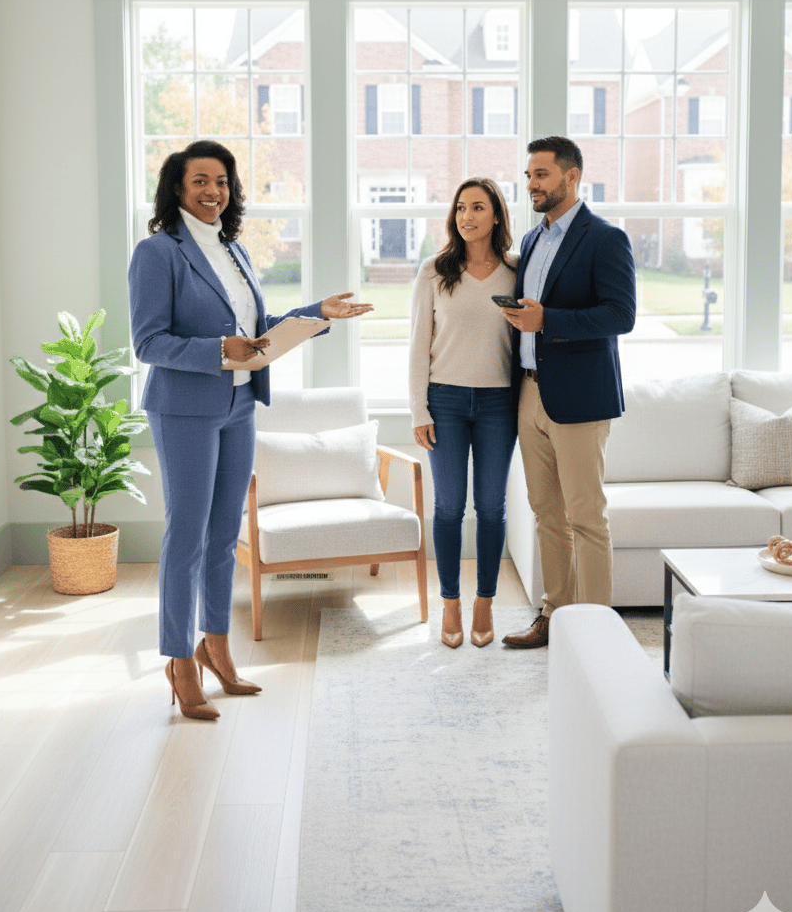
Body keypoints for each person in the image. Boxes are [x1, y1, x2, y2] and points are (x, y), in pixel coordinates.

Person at [129, 139, 371, 719]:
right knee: (185, 537)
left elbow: (256, 329)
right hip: (185, 408)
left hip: (240, 406)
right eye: (200, 182)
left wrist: (315, 312)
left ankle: (216, 648)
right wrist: (217, 350)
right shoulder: (158, 252)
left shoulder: (233, 249)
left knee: (222, 538)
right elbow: (148, 342)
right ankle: (178, 662)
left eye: (222, 182)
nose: (213, 192)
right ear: (178, 189)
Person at [499, 137, 636, 648]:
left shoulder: (605, 238)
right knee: (546, 515)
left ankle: (598, 633)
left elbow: (621, 315)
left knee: (585, 516)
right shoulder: (533, 241)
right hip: (530, 394)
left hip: (579, 399)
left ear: (571, 177)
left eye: (541, 174)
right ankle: (554, 617)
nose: (531, 184)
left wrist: (546, 320)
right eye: (529, 175)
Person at [409, 178, 518, 649]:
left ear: (496, 215)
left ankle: (485, 601)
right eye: (459, 208)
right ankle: (450, 602)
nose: (467, 216)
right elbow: (417, 344)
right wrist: (419, 409)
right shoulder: (434, 271)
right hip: (445, 403)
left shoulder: (517, 271)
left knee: (491, 508)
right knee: (449, 508)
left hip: (499, 403)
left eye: (478, 207)